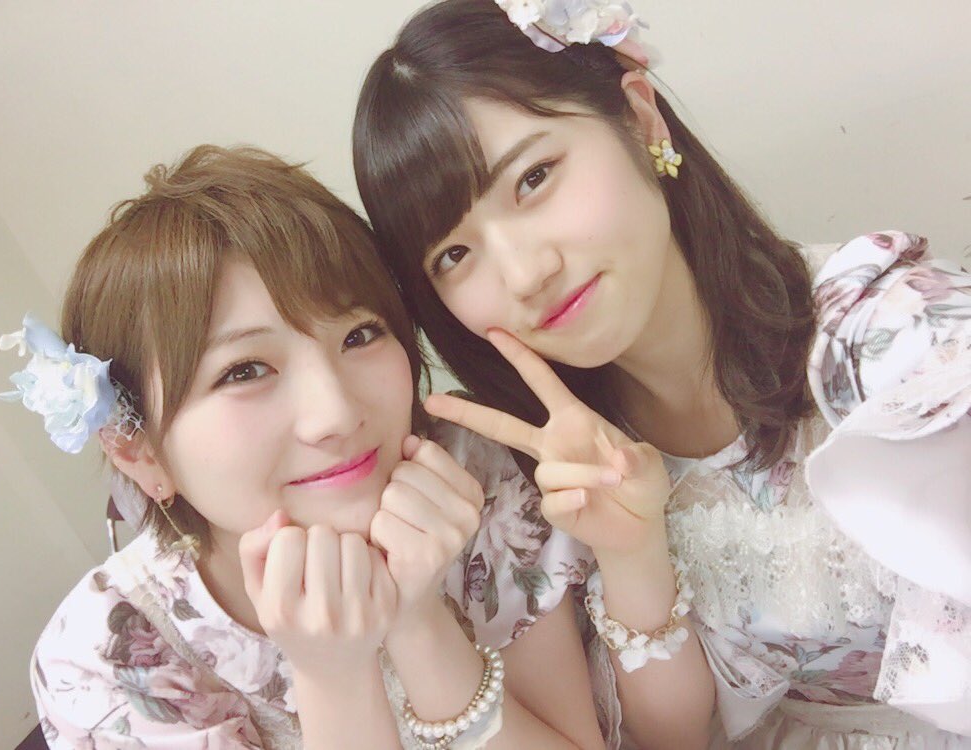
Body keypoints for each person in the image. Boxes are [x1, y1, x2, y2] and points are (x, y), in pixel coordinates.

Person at [351, 1, 971, 747]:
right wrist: (629, 550)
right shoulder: (553, 468)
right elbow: (675, 738)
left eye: (534, 178)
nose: (524, 273)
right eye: (455, 254)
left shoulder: (883, 336)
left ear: (642, 120)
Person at [1, 145, 679, 750]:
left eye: (359, 335)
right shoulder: (106, 660)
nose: (336, 413)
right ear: (138, 451)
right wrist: (333, 678)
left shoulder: (469, 479)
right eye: (244, 371)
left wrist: (419, 624)